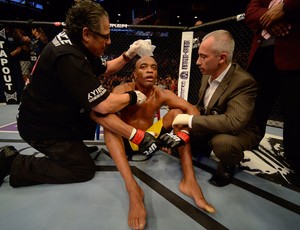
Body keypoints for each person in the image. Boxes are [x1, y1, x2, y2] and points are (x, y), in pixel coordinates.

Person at [0, 1, 161, 188]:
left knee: (91, 107)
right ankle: (12, 162)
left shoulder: (76, 41)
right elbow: (104, 105)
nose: (108, 42)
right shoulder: (69, 57)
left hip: (53, 115)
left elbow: (107, 68)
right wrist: (134, 97)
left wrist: (129, 54)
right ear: (86, 34)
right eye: (105, 37)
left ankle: (74, 145)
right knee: (82, 168)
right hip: (41, 128)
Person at [91, 56, 216, 230]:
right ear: (135, 74)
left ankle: (189, 180)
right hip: (127, 141)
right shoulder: (122, 89)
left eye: (154, 67)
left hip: (149, 140)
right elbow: (99, 111)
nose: (150, 70)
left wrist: (184, 135)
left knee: (178, 113)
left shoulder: (161, 93)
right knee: (109, 123)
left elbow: (192, 110)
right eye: (144, 67)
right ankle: (133, 190)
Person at [172, 30, 261, 187]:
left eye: (203, 56)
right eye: (199, 55)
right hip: (215, 121)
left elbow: (234, 122)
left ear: (222, 58)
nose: (198, 62)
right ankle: (201, 145)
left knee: (223, 144)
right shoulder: (207, 73)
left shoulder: (243, 82)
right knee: (178, 127)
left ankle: (228, 164)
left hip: (239, 131)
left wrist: (191, 120)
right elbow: (202, 106)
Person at [245, 0, 300, 187]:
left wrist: (284, 8)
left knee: (294, 111)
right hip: (264, 53)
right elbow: (250, 13)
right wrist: (272, 19)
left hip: (294, 53)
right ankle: (249, 141)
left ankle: (295, 158)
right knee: (256, 106)